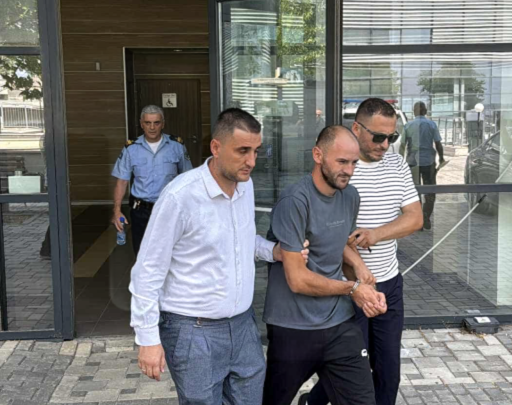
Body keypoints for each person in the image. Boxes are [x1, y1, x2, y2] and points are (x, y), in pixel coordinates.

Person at [129, 108, 308, 405]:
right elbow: (148, 271)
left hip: (243, 325)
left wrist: (274, 251)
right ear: (216, 147)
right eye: (242, 151)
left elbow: (241, 239)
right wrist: (147, 339)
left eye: (256, 151)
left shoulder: (245, 185)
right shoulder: (180, 197)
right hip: (192, 331)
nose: (252, 161)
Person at [303, 98, 423, 405]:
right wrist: (356, 266)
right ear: (357, 128)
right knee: (349, 368)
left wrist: (374, 234)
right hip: (348, 288)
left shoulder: (397, 164)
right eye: (378, 136)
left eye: (392, 137)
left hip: (389, 283)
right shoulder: (341, 169)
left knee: (388, 372)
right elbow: (325, 229)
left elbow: (415, 218)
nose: (385, 145)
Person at [262, 126, 388, 405]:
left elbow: (337, 239)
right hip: (292, 326)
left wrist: (362, 276)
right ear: (318, 155)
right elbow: (298, 280)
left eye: (354, 163)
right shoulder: (294, 201)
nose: (349, 170)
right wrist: (353, 288)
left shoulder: (350, 196)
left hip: (339, 323)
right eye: (342, 162)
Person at [111, 104, 192, 255]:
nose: (152, 127)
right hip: (141, 210)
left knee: (169, 253)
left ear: (163, 124)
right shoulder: (131, 148)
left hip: (169, 208)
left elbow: (187, 178)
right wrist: (117, 211)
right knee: (142, 253)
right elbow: (122, 181)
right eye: (148, 123)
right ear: (142, 124)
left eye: (156, 123)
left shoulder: (176, 146)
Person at [400, 101, 445, 230]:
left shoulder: (408, 126)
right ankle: (426, 216)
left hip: (412, 162)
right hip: (428, 161)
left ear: (414, 112)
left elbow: (402, 145)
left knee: (414, 192)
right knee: (430, 190)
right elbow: (438, 143)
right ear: (425, 111)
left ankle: (418, 219)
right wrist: (441, 158)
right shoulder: (431, 124)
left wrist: (401, 162)